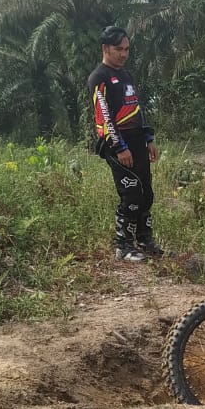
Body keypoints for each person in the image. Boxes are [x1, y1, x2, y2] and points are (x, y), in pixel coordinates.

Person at [88, 25, 160, 262]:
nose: (124, 54)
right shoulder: (99, 78)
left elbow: (137, 109)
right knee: (130, 194)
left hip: (138, 141)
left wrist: (148, 138)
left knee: (146, 194)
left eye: (127, 49)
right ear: (105, 48)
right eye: (119, 49)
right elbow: (104, 116)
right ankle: (123, 245)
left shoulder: (127, 76)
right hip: (118, 144)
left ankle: (144, 239)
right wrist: (120, 147)